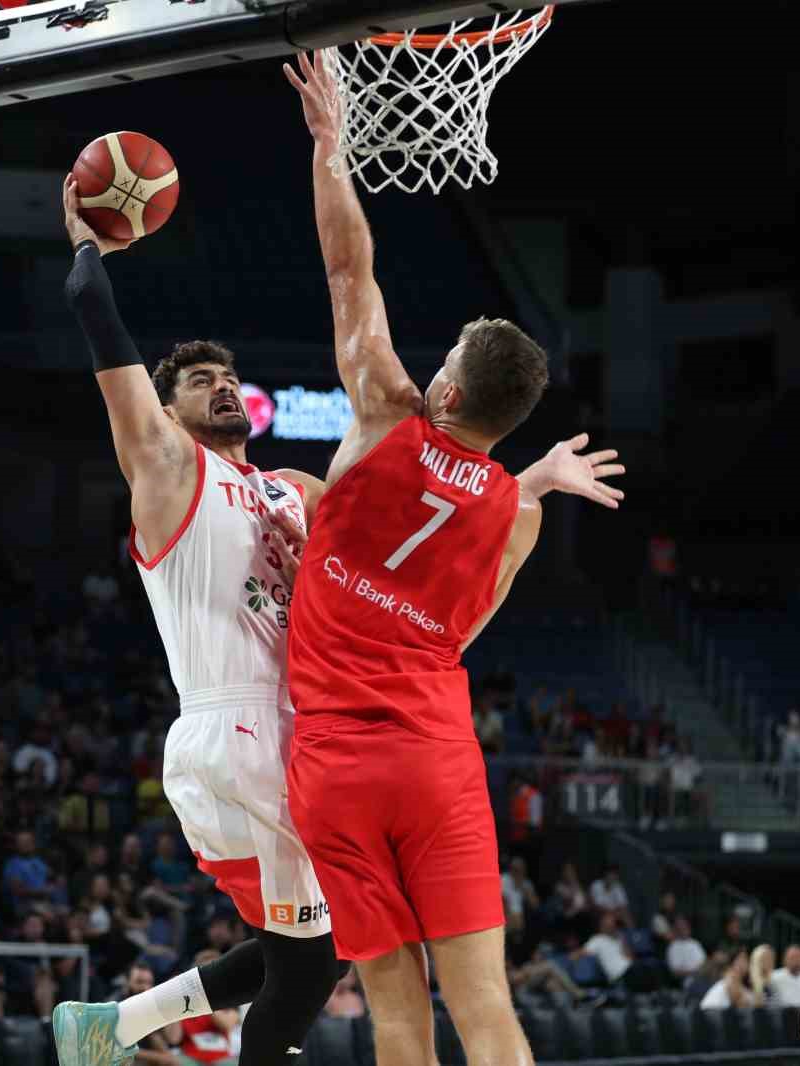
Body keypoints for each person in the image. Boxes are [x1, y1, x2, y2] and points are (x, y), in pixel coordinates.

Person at [51, 152, 618, 1066]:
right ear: (168, 411)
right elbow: (108, 344)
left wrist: (522, 482)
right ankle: (124, 1028)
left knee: (307, 958)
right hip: (259, 731)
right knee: (321, 970)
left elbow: (423, 527)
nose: (222, 385)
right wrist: (87, 253)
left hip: (308, 740)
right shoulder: (167, 470)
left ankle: (112, 1028)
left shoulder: (291, 487)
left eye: (228, 375)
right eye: (199, 383)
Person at [279, 51, 624, 1066]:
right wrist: (542, 479)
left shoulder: (385, 416)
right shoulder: (514, 517)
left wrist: (330, 151)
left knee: (395, 1015)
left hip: (336, 768)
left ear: (441, 391)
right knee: (488, 1012)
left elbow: (351, 270)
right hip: (433, 759)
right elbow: (461, 626)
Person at [665, 918, 707, 983]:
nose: (684, 929)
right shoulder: (673, 947)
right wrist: (694, 972)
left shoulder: (695, 943)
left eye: (685, 926)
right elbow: (675, 973)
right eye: (681, 927)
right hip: (689, 981)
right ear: (676, 930)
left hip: (704, 976)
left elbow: (704, 962)